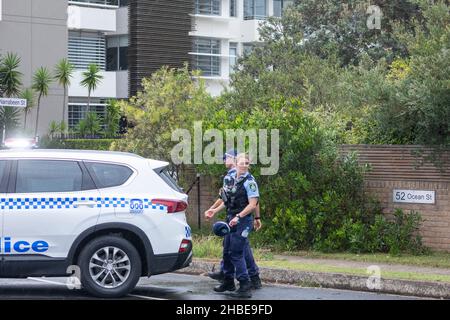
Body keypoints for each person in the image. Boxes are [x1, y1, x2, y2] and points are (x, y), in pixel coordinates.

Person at [205, 150, 262, 290]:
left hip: (242, 219)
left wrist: (256, 217)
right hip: (232, 218)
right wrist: (213, 210)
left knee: (237, 252)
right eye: (241, 163)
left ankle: (245, 282)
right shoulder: (231, 179)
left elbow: (254, 203)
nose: (243, 166)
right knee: (229, 250)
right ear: (236, 164)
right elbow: (227, 200)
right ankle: (229, 280)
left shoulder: (250, 181)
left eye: (246, 163)